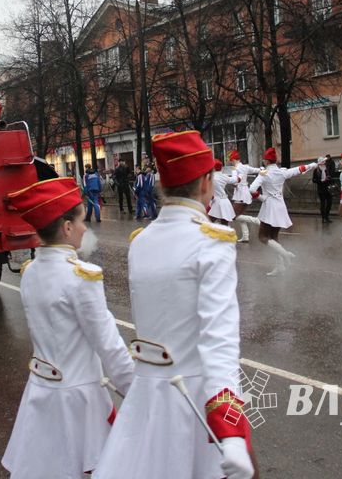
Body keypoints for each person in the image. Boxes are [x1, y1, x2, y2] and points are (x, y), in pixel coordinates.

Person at [93, 130, 256, 479]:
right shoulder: (212, 243)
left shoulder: (141, 241)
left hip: (147, 399)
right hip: (196, 402)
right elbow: (219, 341)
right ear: (206, 183)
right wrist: (230, 430)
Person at [2, 177, 134, 478]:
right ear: (66, 227)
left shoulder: (31, 271)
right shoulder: (81, 277)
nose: (85, 228)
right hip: (78, 401)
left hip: (41, 391)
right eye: (81, 221)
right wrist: (139, 393)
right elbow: (109, 346)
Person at [249, 147, 323, 275]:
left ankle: (285, 255)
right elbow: (299, 169)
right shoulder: (282, 172)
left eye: (264, 159)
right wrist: (313, 164)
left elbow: (251, 189)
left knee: (263, 237)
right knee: (274, 237)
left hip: (269, 207)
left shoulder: (264, 174)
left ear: (267, 161)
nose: (263, 161)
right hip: (280, 206)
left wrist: (261, 198)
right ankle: (280, 266)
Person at [228, 150, 261, 242]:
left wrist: (232, 183)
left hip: (240, 194)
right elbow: (256, 170)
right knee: (239, 215)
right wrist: (262, 169)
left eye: (231, 160)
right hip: (246, 193)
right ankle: (246, 236)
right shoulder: (245, 167)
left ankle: (256, 220)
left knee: (233, 216)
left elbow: (235, 181)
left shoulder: (235, 169)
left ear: (234, 159)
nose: (231, 162)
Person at [208, 159, 239, 225]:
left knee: (208, 222)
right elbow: (235, 179)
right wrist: (234, 170)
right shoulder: (224, 176)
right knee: (224, 224)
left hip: (216, 201)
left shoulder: (211, 177)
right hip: (225, 201)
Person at [311, 154, 335, 224]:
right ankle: (323, 218)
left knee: (329, 203)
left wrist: (329, 178)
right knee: (323, 203)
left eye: (325, 161)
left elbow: (331, 176)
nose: (325, 162)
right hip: (321, 189)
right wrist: (320, 180)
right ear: (320, 162)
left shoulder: (327, 169)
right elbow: (314, 180)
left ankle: (327, 216)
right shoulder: (316, 170)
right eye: (323, 161)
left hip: (328, 188)